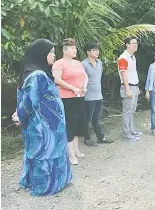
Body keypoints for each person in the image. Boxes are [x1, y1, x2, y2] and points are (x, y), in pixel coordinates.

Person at [13, 38, 72, 196]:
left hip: (50, 125)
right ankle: (45, 186)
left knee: (47, 152)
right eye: (50, 52)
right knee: (45, 154)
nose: (53, 55)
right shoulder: (38, 75)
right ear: (40, 54)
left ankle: (56, 181)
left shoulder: (37, 73)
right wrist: (19, 115)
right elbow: (30, 102)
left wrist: (19, 114)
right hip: (44, 128)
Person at [53, 38, 96, 166]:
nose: (74, 50)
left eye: (75, 48)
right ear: (65, 50)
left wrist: (84, 86)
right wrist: (72, 88)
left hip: (79, 96)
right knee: (70, 125)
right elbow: (57, 80)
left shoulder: (78, 63)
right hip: (66, 98)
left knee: (78, 123)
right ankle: (70, 153)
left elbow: (85, 76)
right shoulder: (59, 63)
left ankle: (76, 149)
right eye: (72, 49)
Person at [82, 42, 113, 144]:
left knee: (97, 118)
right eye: (94, 50)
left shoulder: (100, 63)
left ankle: (101, 138)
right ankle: (87, 139)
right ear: (88, 52)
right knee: (87, 119)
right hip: (88, 96)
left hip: (98, 95)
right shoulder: (83, 64)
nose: (97, 52)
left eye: (97, 50)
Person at [117, 36, 142, 142]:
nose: (135, 45)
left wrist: (136, 87)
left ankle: (132, 130)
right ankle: (126, 134)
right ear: (127, 44)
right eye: (133, 43)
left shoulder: (132, 57)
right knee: (127, 112)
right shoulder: (123, 58)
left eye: (136, 43)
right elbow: (124, 74)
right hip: (128, 86)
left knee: (132, 111)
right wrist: (127, 89)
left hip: (134, 86)